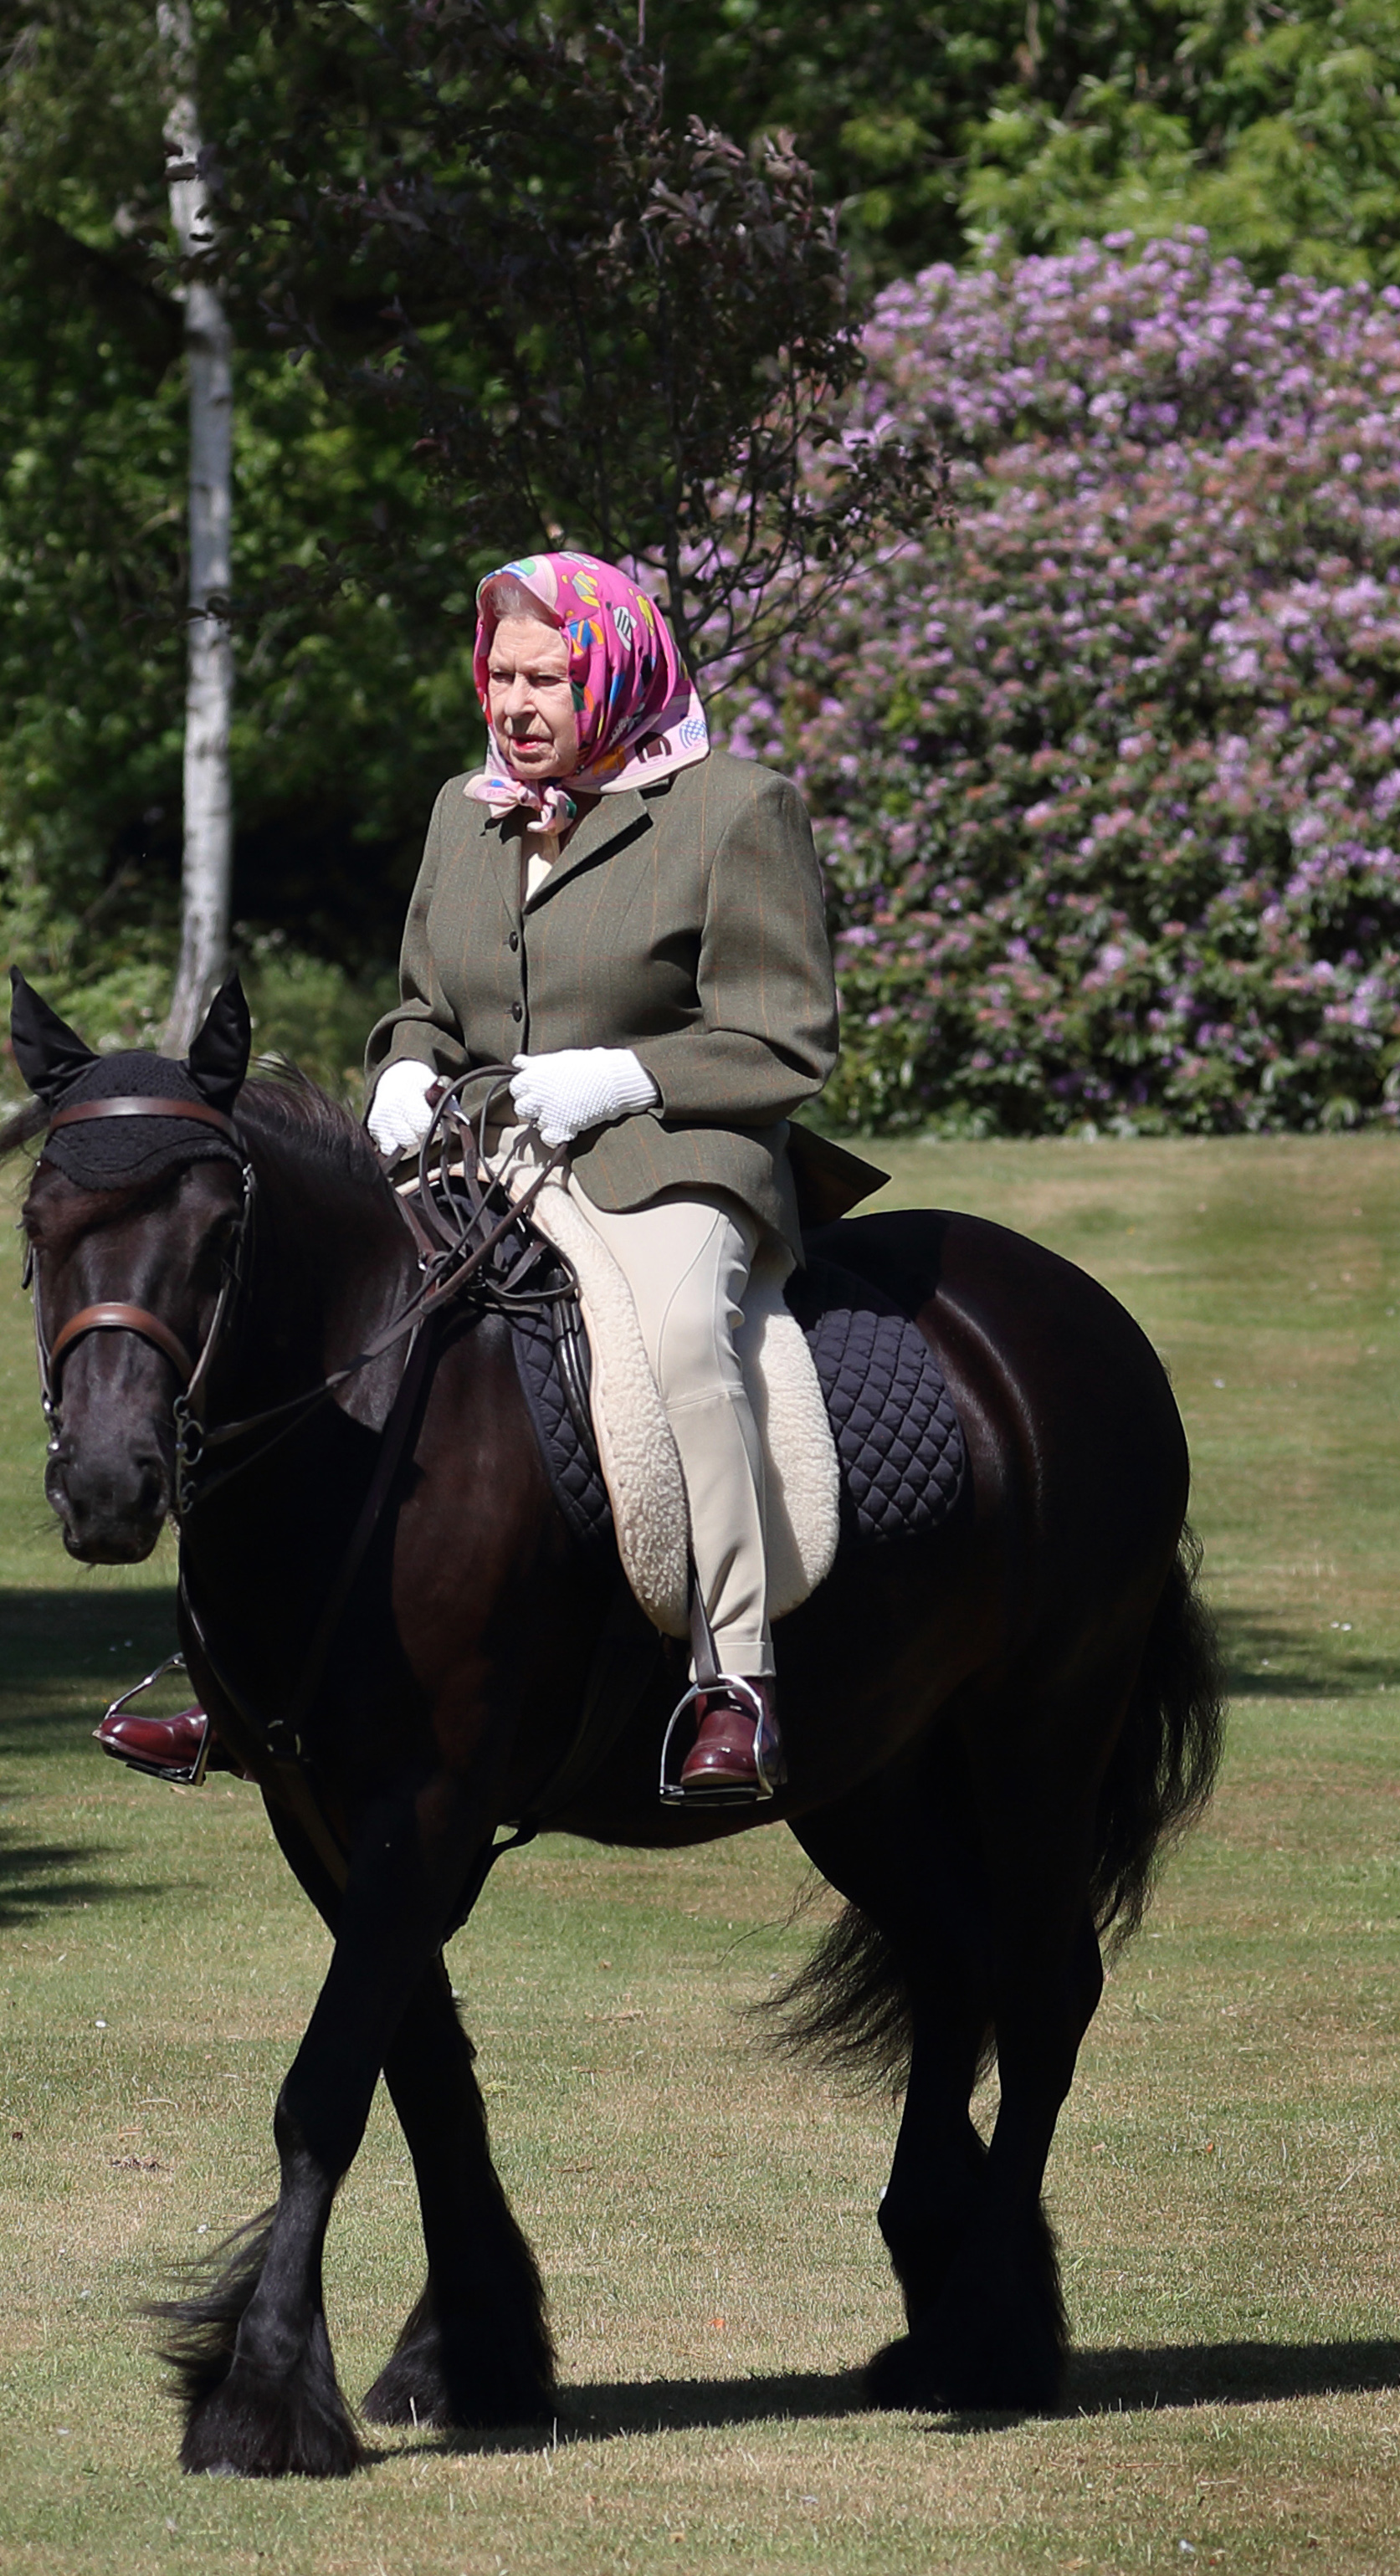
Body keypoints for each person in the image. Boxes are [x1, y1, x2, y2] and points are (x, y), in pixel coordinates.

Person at [363, 551, 838, 1797]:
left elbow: (786, 1040)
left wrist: (622, 1075)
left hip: (665, 1153)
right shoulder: (459, 809)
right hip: (481, 1152)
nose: (515, 705)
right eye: (499, 677)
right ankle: (249, 1665)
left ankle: (734, 1679)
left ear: (617, 671)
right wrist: (401, 1069)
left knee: (685, 1336)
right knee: (317, 1308)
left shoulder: (736, 809)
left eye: (547, 679)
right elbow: (425, 1002)